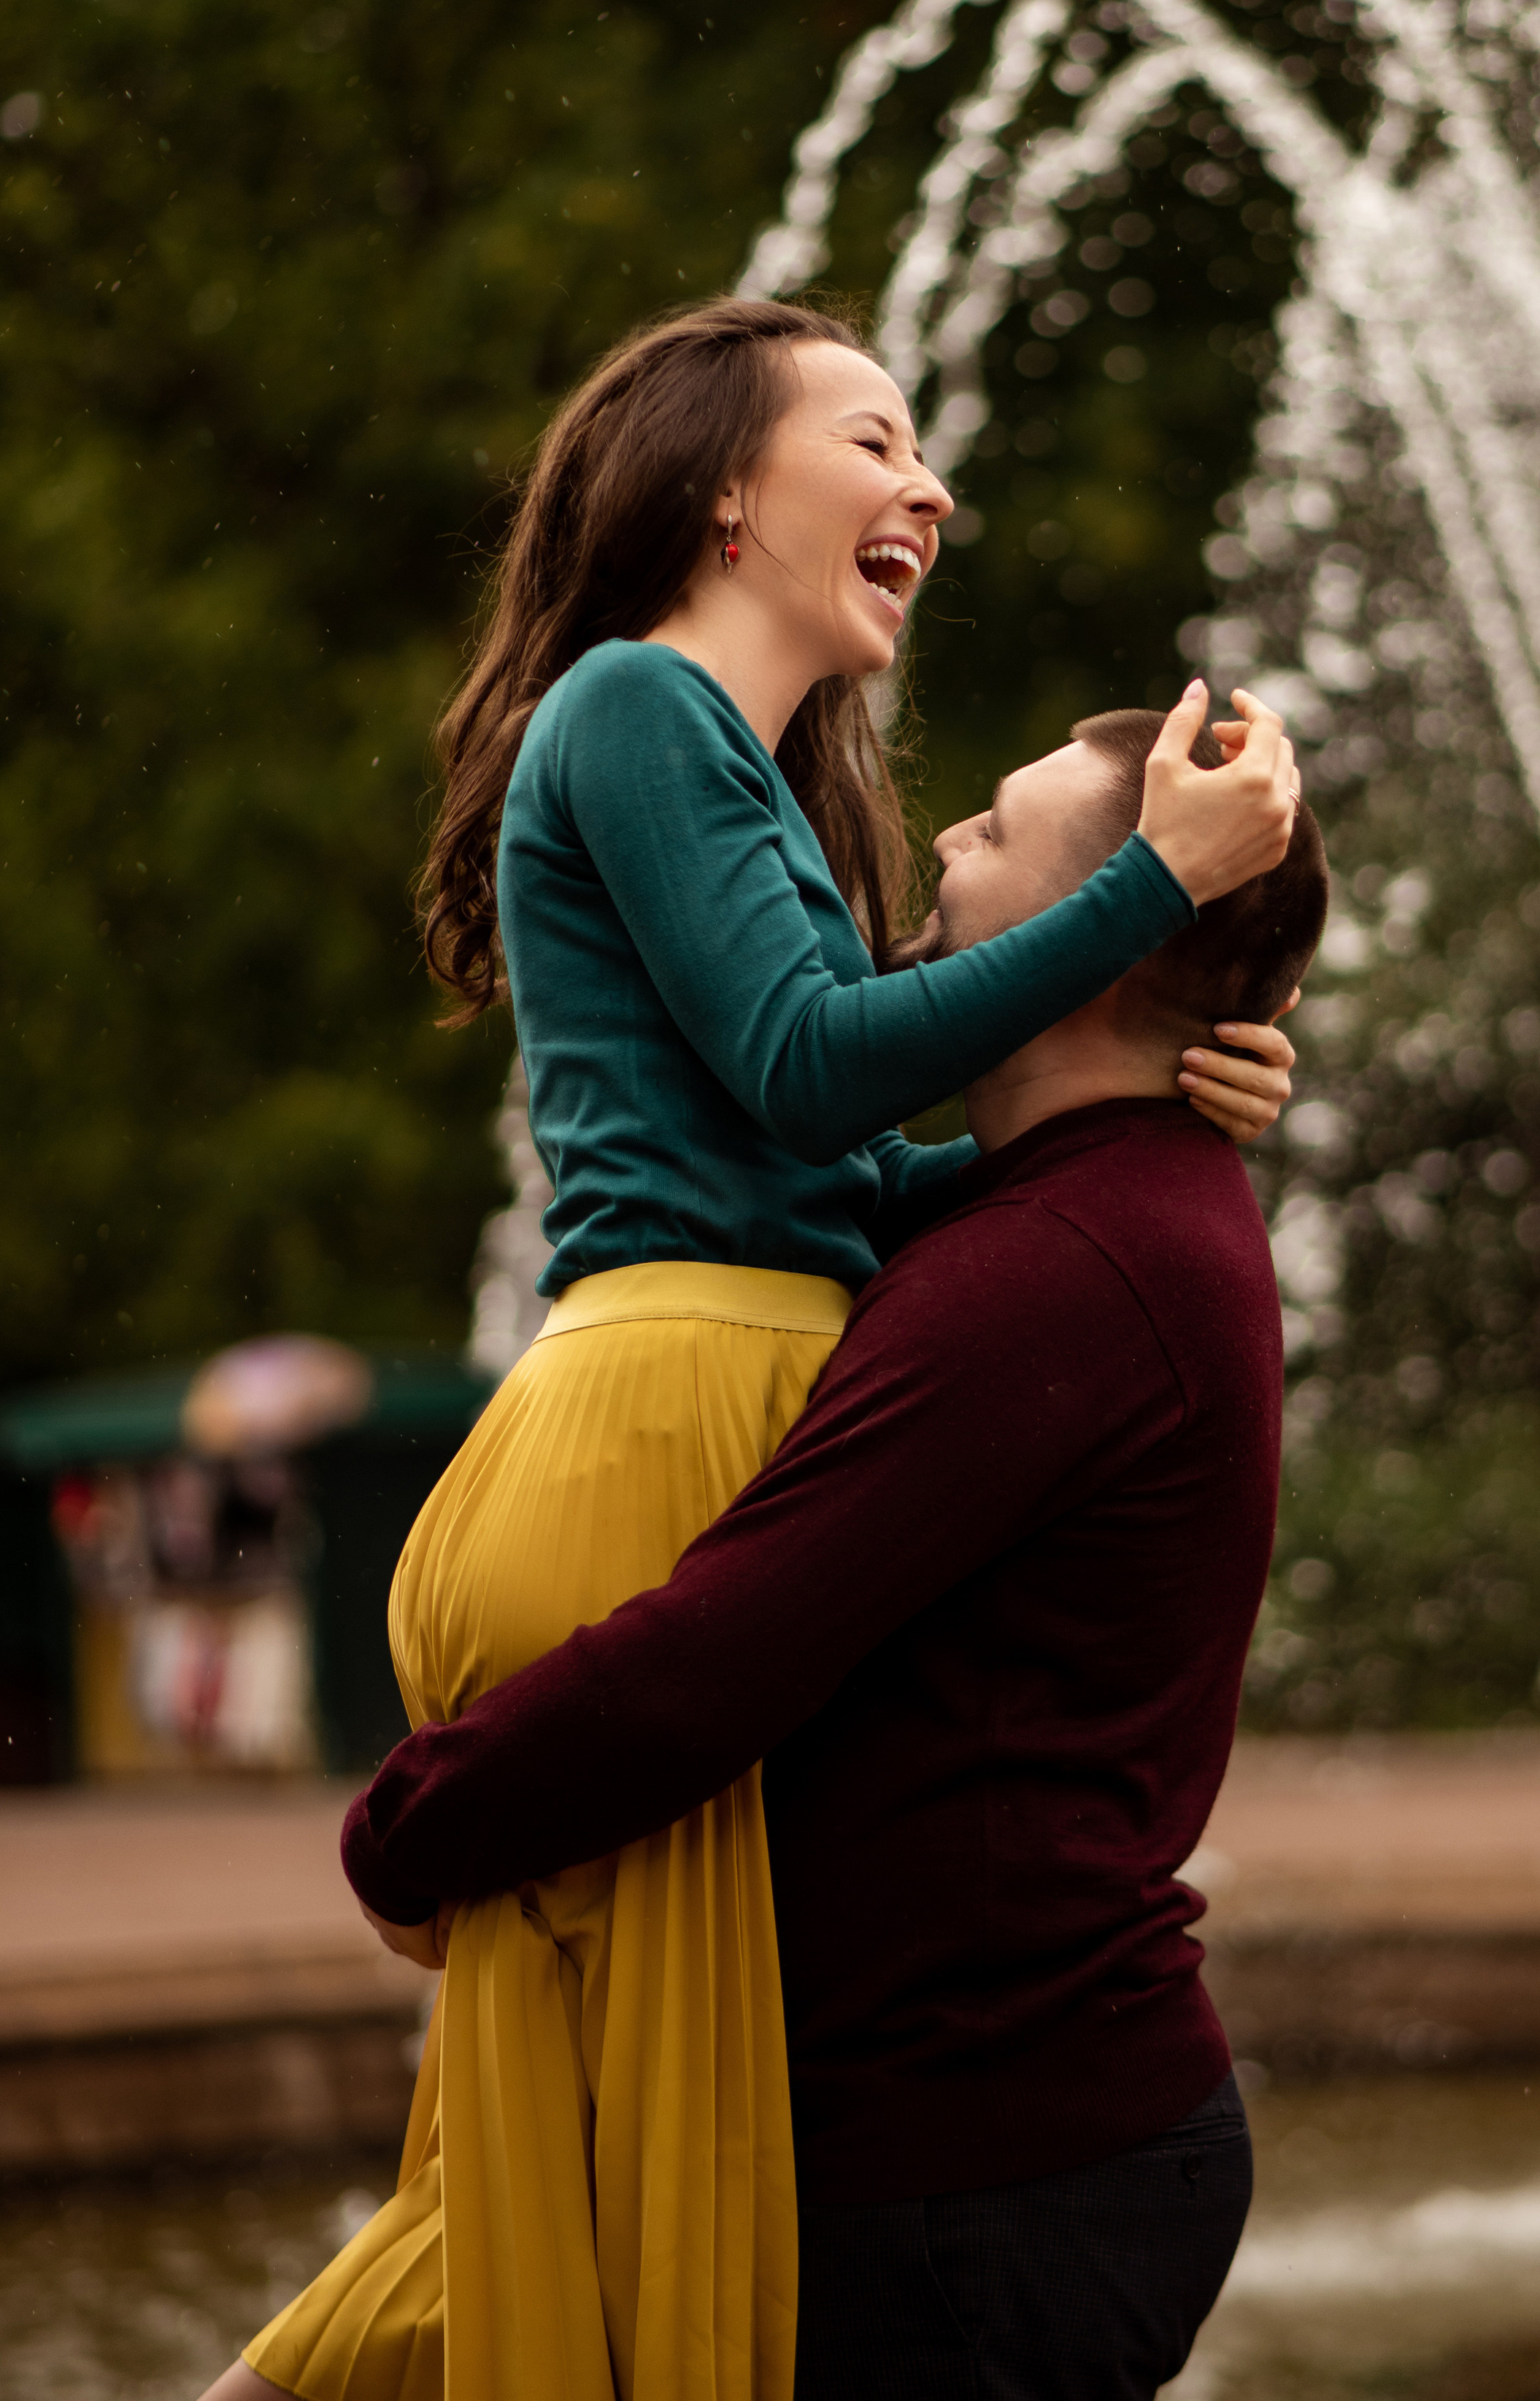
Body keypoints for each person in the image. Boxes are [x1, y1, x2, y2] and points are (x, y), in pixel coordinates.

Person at [206, 296, 1299, 2401]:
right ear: (721, 484)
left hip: (712, 1363)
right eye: (876, 439)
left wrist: (1137, 1110)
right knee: (616, 2156)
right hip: (662, 1409)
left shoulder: (750, 774)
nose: (931, 486)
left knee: (586, 2142)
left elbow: (826, 1184)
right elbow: (816, 1074)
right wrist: (1148, 882)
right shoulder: (633, 706)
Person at [342, 704, 1329, 2401]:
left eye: (997, 834)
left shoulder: (1062, 1267)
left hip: (987, 2165)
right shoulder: (1087, 1209)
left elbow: (723, 1651)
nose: (944, 844)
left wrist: (416, 1820)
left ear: (1099, 942)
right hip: (993, 2132)